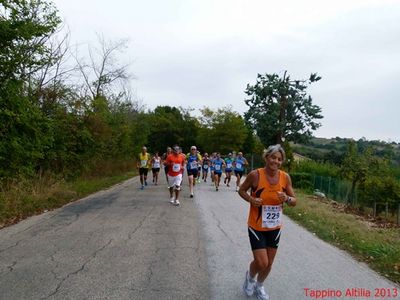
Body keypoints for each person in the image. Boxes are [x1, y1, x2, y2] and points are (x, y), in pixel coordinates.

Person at [238, 144, 297, 300]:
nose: (275, 161)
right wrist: (251, 199)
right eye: (273, 157)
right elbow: (241, 190)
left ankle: (259, 285)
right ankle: (250, 278)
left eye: (279, 159)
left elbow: (294, 201)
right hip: (256, 225)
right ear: (266, 157)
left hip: (274, 226)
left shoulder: (285, 177)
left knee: (269, 262)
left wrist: (287, 198)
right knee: (261, 262)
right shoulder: (255, 175)